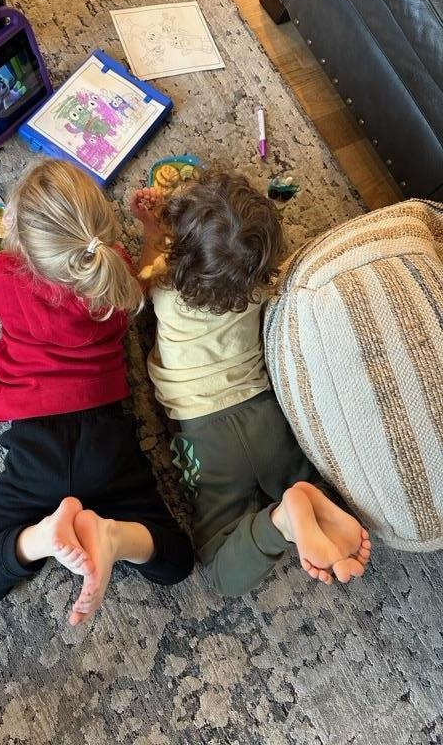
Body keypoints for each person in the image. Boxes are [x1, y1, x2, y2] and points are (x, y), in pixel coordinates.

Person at [0, 159, 194, 624]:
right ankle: (114, 537)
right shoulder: (113, 271)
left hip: (36, 451)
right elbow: (137, 289)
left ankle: (38, 539)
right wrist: (151, 234)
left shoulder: (4, 271)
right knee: (176, 559)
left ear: (21, 240)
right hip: (108, 444)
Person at [132, 170, 371, 596]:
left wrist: (151, 230)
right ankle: (312, 503)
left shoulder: (164, 286)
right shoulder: (260, 289)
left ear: (178, 254)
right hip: (267, 413)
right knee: (322, 483)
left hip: (206, 431)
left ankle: (281, 523)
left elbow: (145, 274)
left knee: (218, 570)